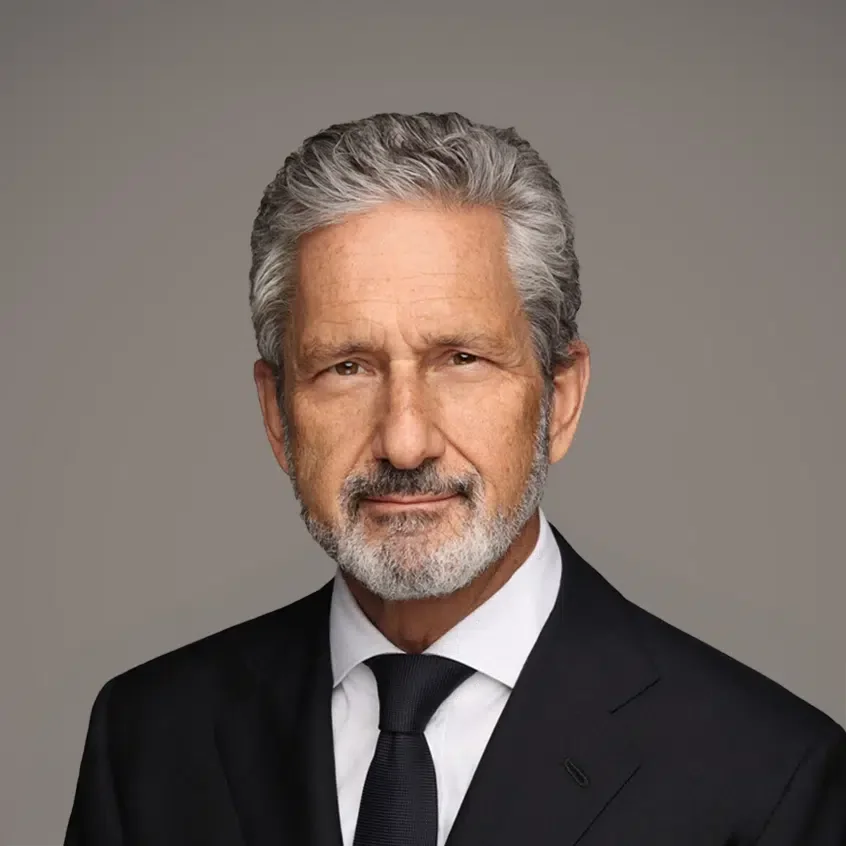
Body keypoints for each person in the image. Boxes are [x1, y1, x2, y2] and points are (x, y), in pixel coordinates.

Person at [64, 111, 846, 845]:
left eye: (461, 360)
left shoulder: (772, 778)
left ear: (560, 400)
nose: (405, 441)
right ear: (278, 415)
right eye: (347, 367)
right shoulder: (147, 739)